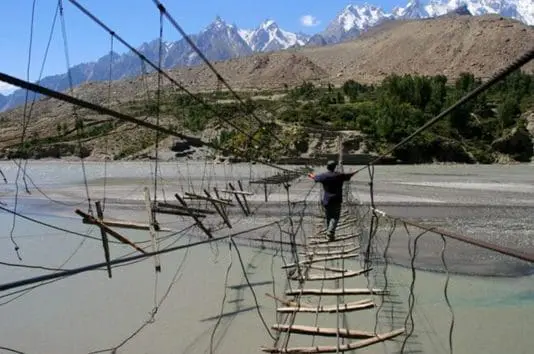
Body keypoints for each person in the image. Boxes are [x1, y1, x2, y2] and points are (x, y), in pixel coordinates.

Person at [308, 160, 357, 240]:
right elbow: (349, 175)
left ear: (327, 167)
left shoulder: (324, 176)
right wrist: (355, 172)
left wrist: (310, 175)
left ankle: (329, 235)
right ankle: (330, 233)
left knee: (329, 217)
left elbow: (315, 177)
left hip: (327, 200)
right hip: (337, 200)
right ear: (335, 167)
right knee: (335, 217)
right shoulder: (339, 175)